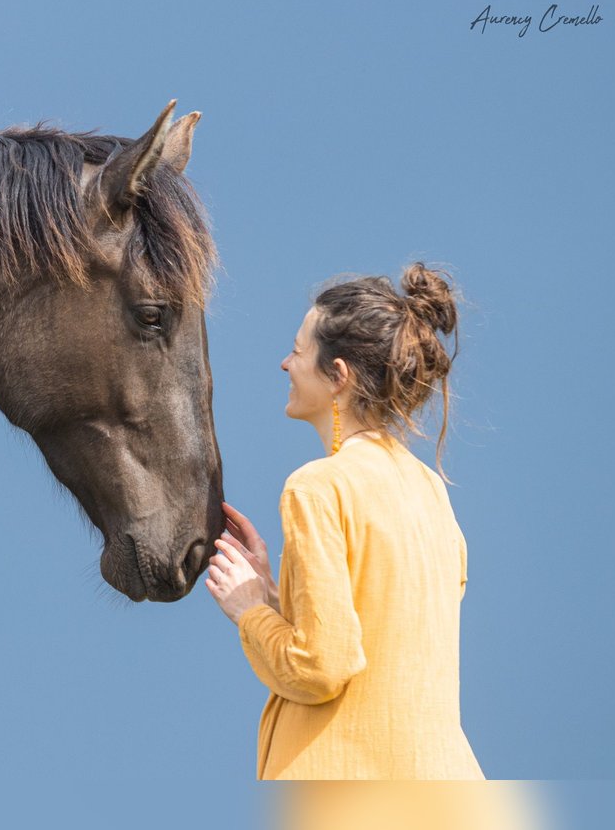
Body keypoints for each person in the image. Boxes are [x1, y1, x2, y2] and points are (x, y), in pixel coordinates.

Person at [204, 262, 484, 780]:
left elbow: (320, 668)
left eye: (299, 350)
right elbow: (385, 638)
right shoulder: (431, 493)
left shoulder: (317, 487)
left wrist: (249, 612)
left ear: (338, 377)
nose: (285, 363)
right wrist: (272, 594)